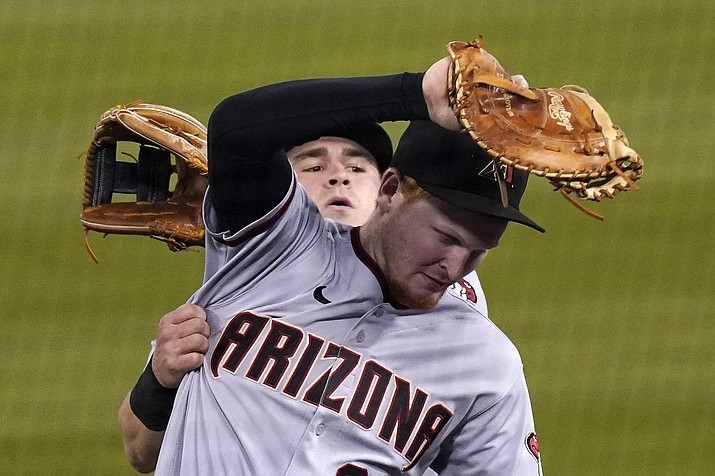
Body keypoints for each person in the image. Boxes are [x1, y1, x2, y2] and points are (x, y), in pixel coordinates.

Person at [120, 56, 544, 475]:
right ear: (390, 190)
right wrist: (417, 94)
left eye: (479, 249)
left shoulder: (480, 355)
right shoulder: (266, 249)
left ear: (379, 181)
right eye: (314, 165)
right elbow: (236, 128)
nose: (455, 264)